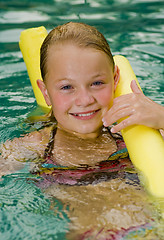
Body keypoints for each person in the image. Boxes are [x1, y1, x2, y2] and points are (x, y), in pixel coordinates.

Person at [0, 22, 164, 239]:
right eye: (67, 87)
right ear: (45, 92)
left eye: (96, 83)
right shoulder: (36, 145)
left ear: (115, 79)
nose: (85, 100)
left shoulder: (137, 133)